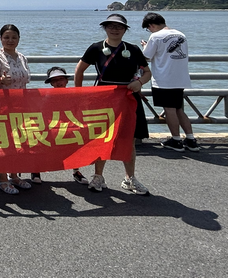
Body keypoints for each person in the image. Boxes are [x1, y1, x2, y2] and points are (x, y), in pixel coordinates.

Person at [74, 14, 151, 196]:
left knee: (129, 139)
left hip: (128, 97)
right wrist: (79, 94)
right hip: (104, 98)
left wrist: (139, 83)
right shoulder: (95, 48)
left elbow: (147, 72)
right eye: (111, 26)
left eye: (119, 27)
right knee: (102, 138)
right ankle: (98, 176)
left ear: (125, 30)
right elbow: (79, 70)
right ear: (105, 28)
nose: (115, 29)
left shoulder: (133, 49)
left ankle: (129, 178)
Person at [0, 24, 33, 195]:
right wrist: (0, 81)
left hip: (20, 106)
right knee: (3, 143)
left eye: (14, 37)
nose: (10, 40)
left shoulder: (22, 57)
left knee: (17, 142)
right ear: (1, 39)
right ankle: (3, 179)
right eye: (6, 37)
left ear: (19, 39)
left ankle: (15, 175)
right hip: (2, 107)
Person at [141, 12, 199, 152]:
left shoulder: (155, 36)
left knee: (169, 110)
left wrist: (144, 46)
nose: (150, 31)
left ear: (151, 25)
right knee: (178, 109)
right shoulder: (181, 35)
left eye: (148, 29)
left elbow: (146, 57)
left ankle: (176, 140)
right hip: (180, 78)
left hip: (164, 79)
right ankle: (191, 139)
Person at [29, 67, 89, 186]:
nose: (59, 82)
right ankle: (36, 170)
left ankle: (76, 171)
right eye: (55, 80)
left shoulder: (74, 95)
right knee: (38, 136)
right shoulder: (46, 96)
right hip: (51, 128)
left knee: (77, 137)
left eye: (61, 79)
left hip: (69, 127)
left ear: (66, 81)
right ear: (51, 83)